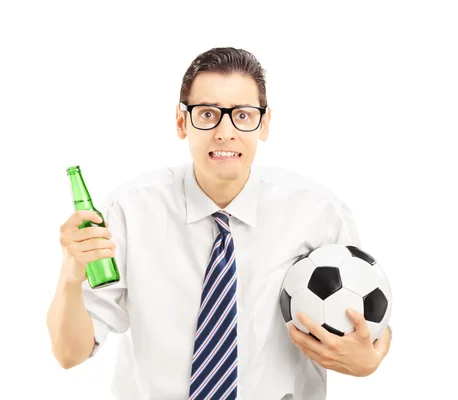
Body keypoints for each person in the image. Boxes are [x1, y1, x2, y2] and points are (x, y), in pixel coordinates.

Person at [47, 47, 392, 400]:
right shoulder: (129, 212)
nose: (225, 132)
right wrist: (70, 276)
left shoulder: (319, 214)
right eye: (208, 113)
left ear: (265, 123)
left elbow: (369, 317)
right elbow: (69, 353)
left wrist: (369, 360)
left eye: (242, 115)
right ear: (182, 122)